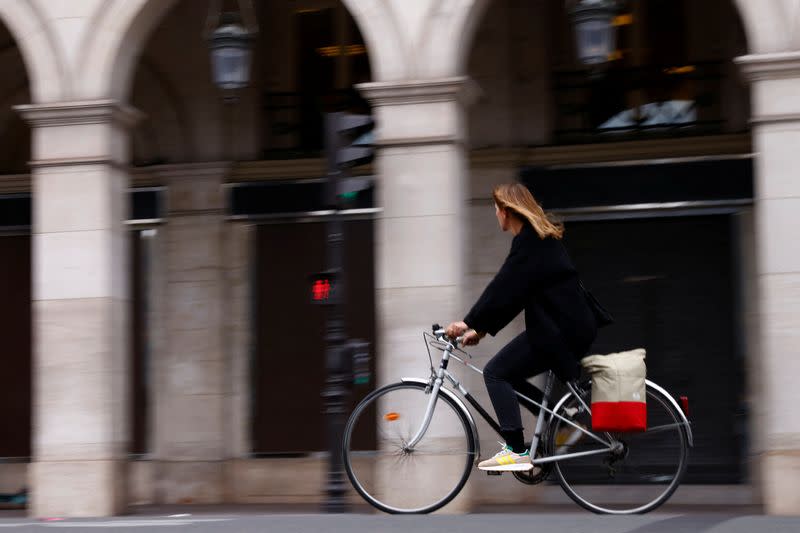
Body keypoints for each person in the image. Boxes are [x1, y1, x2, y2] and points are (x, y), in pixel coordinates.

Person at [446, 183, 597, 471]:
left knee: (495, 372)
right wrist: (480, 330)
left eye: (495, 210)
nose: (495, 215)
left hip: (560, 329)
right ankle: (561, 415)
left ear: (506, 211)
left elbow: (502, 287)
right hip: (564, 326)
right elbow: (516, 293)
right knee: (510, 374)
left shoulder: (530, 242)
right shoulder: (536, 239)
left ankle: (516, 450)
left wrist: (469, 321)